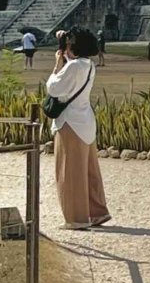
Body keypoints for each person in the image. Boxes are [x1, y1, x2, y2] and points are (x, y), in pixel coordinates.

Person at [46, 28, 110, 230]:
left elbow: (53, 89)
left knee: (70, 172)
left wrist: (57, 64)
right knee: (89, 171)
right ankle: (96, 212)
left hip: (70, 123)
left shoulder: (72, 67)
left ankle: (76, 218)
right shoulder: (89, 65)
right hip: (85, 120)